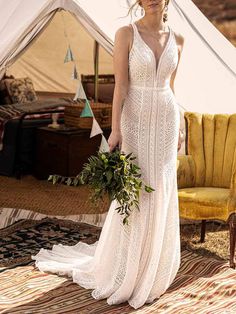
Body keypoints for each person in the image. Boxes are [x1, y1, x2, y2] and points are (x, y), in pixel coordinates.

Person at [32, 0, 185, 310]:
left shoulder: (179, 39)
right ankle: (125, 269)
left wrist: (180, 125)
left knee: (161, 189)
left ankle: (152, 267)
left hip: (167, 122)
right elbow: (121, 86)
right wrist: (115, 130)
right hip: (136, 120)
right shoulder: (126, 34)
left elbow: (171, 87)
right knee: (136, 191)